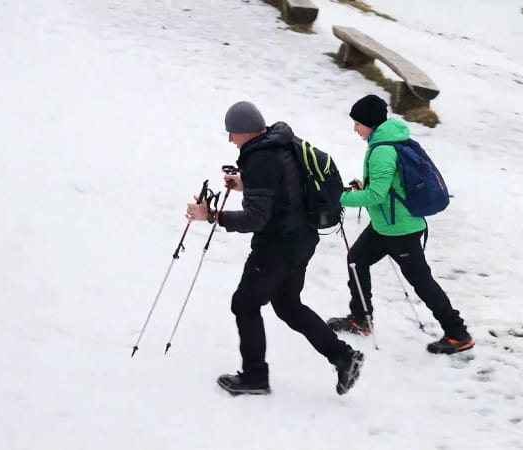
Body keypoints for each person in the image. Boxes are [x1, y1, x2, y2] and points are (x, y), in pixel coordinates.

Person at [186, 101, 364, 395]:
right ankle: (345, 358)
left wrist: (212, 216)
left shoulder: (260, 159)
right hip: (302, 240)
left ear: (245, 131)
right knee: (288, 305)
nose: (231, 139)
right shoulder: (283, 142)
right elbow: (286, 188)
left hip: (277, 246)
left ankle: (255, 377)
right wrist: (247, 185)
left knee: (244, 303)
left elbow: (256, 218)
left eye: (232, 133)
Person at [326, 94, 475, 354]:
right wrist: (363, 188)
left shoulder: (382, 150)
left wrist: (337, 197)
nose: (355, 129)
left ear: (371, 123)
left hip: (400, 230)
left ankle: (457, 333)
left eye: (358, 123)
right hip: (386, 225)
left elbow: (376, 196)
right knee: (356, 259)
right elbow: (385, 188)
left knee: (422, 282)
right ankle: (360, 318)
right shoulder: (388, 141)